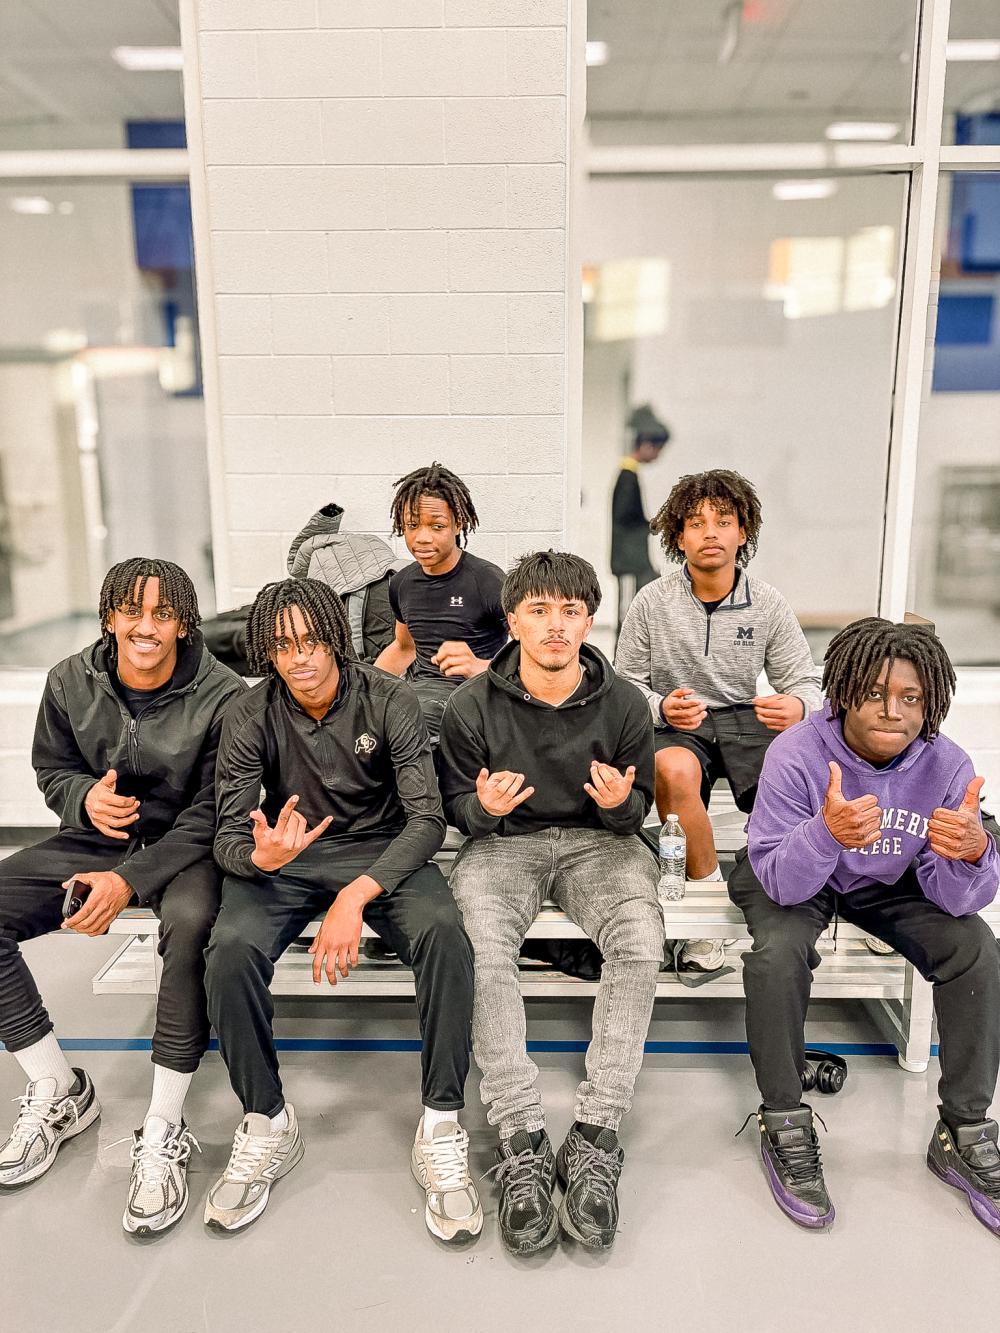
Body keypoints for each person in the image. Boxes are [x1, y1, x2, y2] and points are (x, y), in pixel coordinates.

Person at [205, 577, 480, 1241]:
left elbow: (427, 820)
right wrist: (262, 857)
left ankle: (441, 1119)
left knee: (446, 934)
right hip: (290, 857)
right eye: (281, 646)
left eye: (309, 641)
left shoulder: (391, 698)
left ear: (335, 638)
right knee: (228, 951)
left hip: (382, 849)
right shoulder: (249, 713)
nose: (298, 657)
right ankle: (267, 1118)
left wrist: (357, 893)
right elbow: (227, 835)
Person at [729, 617, 1000, 1235]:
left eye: (911, 697)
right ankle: (783, 1119)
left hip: (888, 877)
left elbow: (958, 900)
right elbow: (780, 880)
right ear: (845, 691)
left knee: (976, 948)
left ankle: (964, 1128)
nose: (892, 710)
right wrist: (828, 832)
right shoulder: (796, 751)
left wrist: (973, 852)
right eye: (876, 692)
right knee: (776, 954)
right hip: (796, 868)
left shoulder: (947, 765)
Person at [0, 558, 243, 1236]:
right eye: (132, 610)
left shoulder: (222, 693)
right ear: (109, 615)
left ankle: (163, 1123)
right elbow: (53, 770)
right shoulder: (68, 680)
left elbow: (216, 808)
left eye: (163, 613)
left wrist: (130, 881)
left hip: (185, 846)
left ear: (184, 622)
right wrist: (84, 797)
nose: (146, 626)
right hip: (97, 836)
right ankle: (58, 1087)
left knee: (193, 921)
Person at [439, 551, 663, 1253]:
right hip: (506, 844)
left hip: (601, 843)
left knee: (641, 940)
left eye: (570, 611)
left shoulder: (624, 702)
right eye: (538, 610)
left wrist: (625, 805)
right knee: (478, 939)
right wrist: (479, 807)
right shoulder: (471, 705)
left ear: (589, 619)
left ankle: (596, 1133)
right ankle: (522, 1136)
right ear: (513, 621)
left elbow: (641, 807)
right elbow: (454, 806)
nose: (555, 625)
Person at [615, 469, 821, 972]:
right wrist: (660, 705)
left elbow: (805, 685)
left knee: (802, 765)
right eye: (695, 522)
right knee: (674, 770)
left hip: (745, 718)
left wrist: (795, 706)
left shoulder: (768, 603)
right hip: (679, 721)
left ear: (742, 531)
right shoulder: (651, 602)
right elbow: (623, 687)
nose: (710, 533)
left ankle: (787, 895)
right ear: (677, 536)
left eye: (723, 521)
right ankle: (706, 914)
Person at [374, 463, 507, 744]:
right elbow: (404, 647)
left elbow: (529, 658)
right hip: (418, 696)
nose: (422, 537)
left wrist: (479, 666)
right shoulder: (402, 583)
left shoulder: (488, 581)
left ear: (458, 523)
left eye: (437, 526)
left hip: (476, 697)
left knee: (403, 726)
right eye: (412, 525)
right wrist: (360, 689)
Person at [201, 500, 401, 671]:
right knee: (224, 634)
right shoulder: (402, 578)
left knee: (238, 642)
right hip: (300, 606)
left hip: (311, 627)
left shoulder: (399, 582)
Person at [610, 404, 670, 640]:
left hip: (633, 559)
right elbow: (626, 517)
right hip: (628, 561)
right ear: (646, 445)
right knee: (627, 612)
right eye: (658, 450)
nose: (657, 456)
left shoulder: (629, 474)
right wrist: (652, 525)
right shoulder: (627, 476)